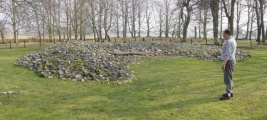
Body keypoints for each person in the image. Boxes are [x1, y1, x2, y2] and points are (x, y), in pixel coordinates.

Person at [220, 29, 237, 100]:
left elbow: (228, 54)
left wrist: (224, 63)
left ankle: (228, 94)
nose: (223, 36)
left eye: (224, 35)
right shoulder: (231, 40)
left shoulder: (229, 42)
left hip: (229, 61)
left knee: (227, 78)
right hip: (231, 60)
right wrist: (224, 42)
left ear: (227, 34)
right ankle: (230, 92)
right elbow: (227, 50)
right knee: (229, 77)